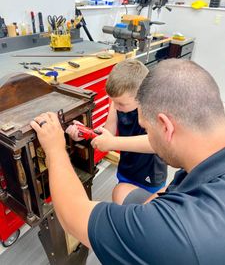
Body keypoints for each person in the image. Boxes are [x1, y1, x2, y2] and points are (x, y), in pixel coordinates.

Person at [31, 58, 225, 265]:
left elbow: (72, 216)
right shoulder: (202, 165)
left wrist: (54, 148)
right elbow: (173, 190)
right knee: (121, 190)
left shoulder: (173, 231)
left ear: (166, 127)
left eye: (148, 130)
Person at [66, 59, 167, 202]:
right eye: (113, 101)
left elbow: (155, 144)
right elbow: (109, 131)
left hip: (150, 174)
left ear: (142, 95)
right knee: (122, 201)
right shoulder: (117, 103)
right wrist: (86, 134)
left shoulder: (155, 108)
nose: (116, 106)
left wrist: (113, 143)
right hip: (126, 168)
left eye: (121, 104)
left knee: (146, 212)